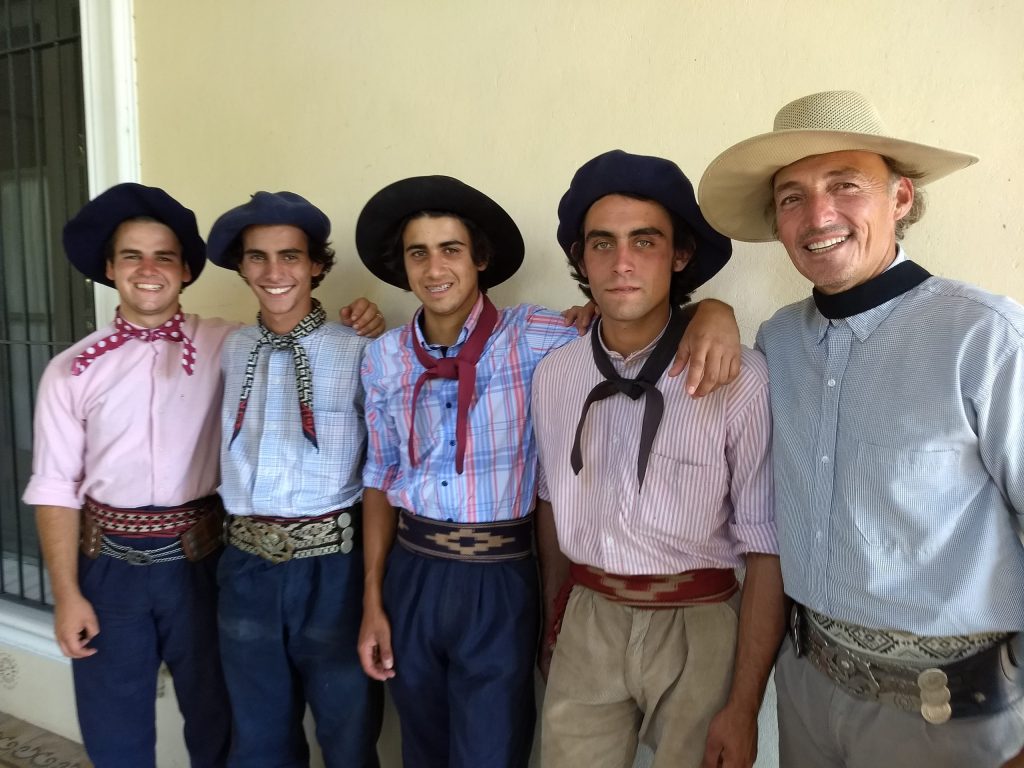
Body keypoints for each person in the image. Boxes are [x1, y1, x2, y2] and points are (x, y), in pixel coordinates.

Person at [353, 174, 744, 767]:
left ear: (480, 258)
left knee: (493, 745)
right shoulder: (381, 357)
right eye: (418, 252)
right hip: (413, 567)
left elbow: (629, 327)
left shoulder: (539, 337)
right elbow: (380, 478)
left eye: (451, 249)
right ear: (401, 265)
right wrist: (374, 598)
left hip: (500, 571)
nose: (435, 268)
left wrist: (714, 310)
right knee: (421, 743)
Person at [698, 89, 1024, 768]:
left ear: (900, 198)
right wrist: (710, 309)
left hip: (953, 723)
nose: (819, 215)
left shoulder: (985, 337)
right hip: (808, 697)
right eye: (793, 196)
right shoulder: (779, 342)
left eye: (845, 185)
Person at [533, 150, 783, 768]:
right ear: (580, 258)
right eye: (602, 243)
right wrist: (552, 615)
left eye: (644, 242)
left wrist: (745, 704)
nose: (621, 264)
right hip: (588, 617)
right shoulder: (555, 374)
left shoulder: (738, 377)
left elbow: (767, 543)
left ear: (679, 255)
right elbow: (550, 504)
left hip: (700, 621)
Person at [24, 183, 233, 768]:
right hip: (107, 571)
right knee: (115, 732)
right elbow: (54, 487)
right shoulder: (71, 371)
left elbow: (294, 342)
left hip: (203, 564)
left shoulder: (226, 344)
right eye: (132, 256)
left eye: (164, 256)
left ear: (186, 270)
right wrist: (67, 594)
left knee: (220, 718)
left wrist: (355, 321)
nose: (148, 269)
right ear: (111, 269)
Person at [206, 191, 384, 768]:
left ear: (317, 265)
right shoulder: (229, 348)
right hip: (246, 565)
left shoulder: (359, 349)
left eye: (290, 256)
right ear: (241, 266)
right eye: (257, 257)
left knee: (348, 732)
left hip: (333, 566)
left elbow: (385, 461)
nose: (274, 271)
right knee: (258, 739)